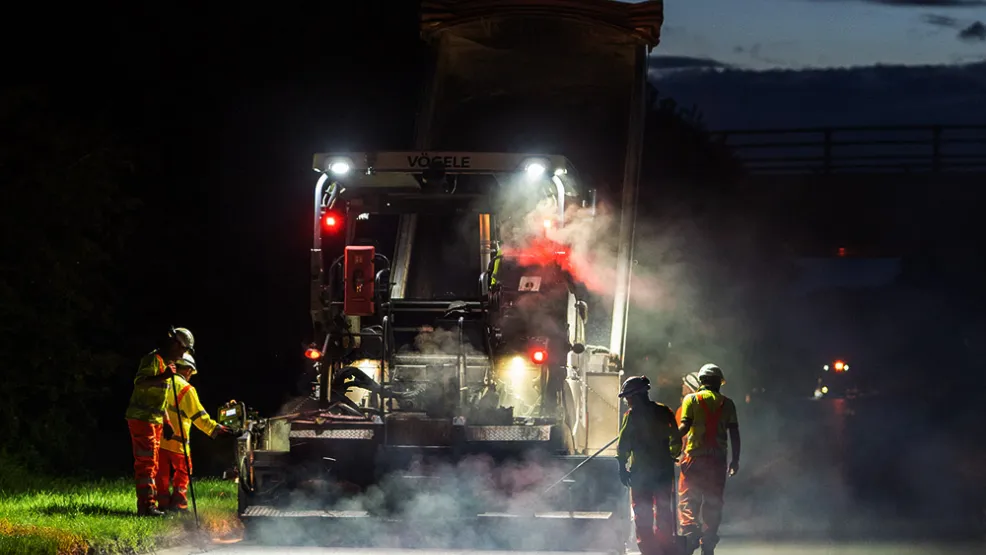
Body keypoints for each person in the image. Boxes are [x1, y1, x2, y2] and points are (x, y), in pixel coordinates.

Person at [125, 327, 194, 516]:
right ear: (173, 344)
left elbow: (160, 398)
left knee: (153, 464)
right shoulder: (153, 360)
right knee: (146, 464)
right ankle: (146, 507)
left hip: (154, 420)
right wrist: (163, 376)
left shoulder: (167, 364)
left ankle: (151, 504)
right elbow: (140, 382)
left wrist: (167, 422)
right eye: (182, 349)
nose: (183, 353)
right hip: (142, 419)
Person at [676, 364, 741, 555]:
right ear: (718, 383)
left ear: (701, 382)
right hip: (717, 463)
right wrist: (735, 460)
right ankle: (708, 544)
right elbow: (735, 435)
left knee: (688, 501)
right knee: (713, 503)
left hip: (693, 461)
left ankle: (690, 537)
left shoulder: (691, 399)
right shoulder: (727, 403)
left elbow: (684, 428)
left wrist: (668, 438)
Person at [156, 352, 231, 512]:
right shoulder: (186, 389)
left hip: (159, 438)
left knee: (161, 474)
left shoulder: (163, 380)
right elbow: (199, 416)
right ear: (188, 370)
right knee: (183, 472)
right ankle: (178, 505)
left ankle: (162, 505)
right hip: (178, 443)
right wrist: (215, 429)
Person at [617, 375, 679, 555]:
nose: (627, 400)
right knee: (664, 511)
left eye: (628, 397)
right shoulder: (664, 411)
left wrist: (622, 467)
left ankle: (648, 550)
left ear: (637, 395)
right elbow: (675, 438)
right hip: (663, 472)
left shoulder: (632, 415)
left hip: (641, 474)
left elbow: (624, 444)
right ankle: (665, 549)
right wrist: (671, 455)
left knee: (642, 513)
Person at [672, 371, 702, 460]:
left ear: (690, 389)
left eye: (684, 384)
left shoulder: (684, 410)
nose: (682, 386)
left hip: (689, 461)